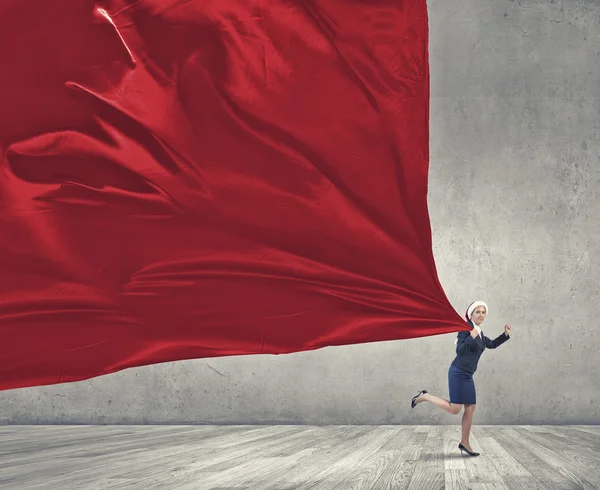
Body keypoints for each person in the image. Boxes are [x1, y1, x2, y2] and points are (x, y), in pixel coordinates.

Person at [410, 301, 511, 456]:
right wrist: (471, 337)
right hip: (458, 373)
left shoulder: (480, 333)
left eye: (483, 312)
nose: (481, 315)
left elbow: (491, 344)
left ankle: (465, 442)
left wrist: (505, 335)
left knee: (470, 407)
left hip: (467, 376)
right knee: (455, 409)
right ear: (471, 314)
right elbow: (460, 351)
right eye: (477, 312)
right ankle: (425, 396)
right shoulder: (466, 329)